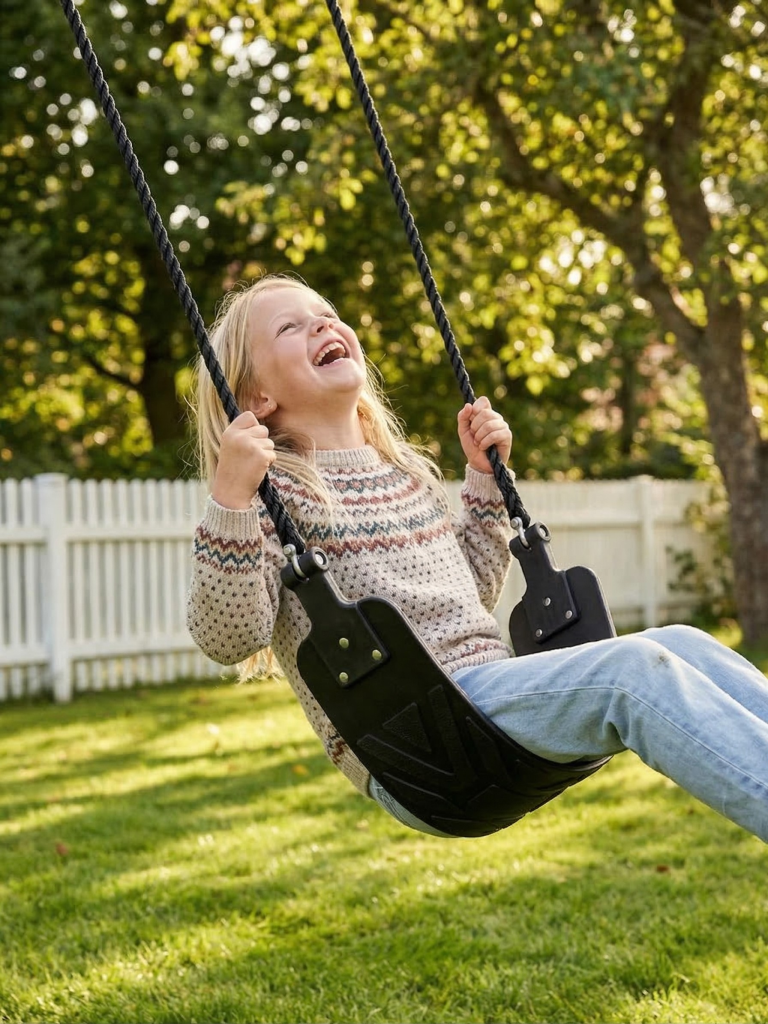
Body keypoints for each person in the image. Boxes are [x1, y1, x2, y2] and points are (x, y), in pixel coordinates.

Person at [188, 272, 768, 842]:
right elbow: (227, 636)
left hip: (490, 694)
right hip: (416, 736)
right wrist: (231, 500)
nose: (321, 324)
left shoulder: (405, 474)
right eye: (290, 327)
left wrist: (486, 480)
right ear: (255, 397)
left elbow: (471, 593)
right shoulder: (271, 496)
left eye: (326, 314)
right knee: (633, 671)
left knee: (685, 643)